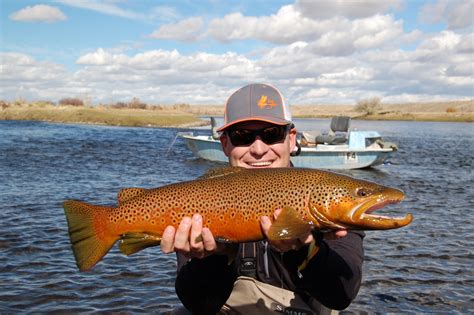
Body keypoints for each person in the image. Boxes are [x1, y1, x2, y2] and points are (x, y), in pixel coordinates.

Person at [161, 83, 364, 315]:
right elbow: (199, 305)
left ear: (291, 139)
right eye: (243, 137)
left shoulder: (327, 195)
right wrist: (212, 258)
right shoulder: (201, 200)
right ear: (225, 144)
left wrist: (305, 251)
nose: (258, 149)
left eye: (272, 135)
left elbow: (341, 295)